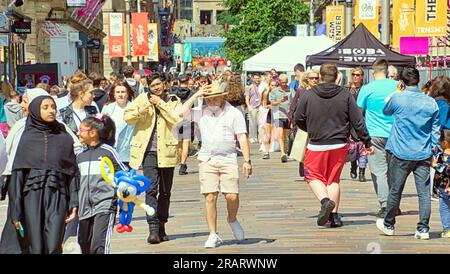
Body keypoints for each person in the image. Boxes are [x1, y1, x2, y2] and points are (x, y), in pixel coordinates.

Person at [294, 63, 373, 228]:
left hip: (317, 144)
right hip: (339, 144)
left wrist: (310, 128)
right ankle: (334, 217)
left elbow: (298, 117)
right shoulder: (345, 95)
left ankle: (325, 202)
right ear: (337, 76)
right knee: (333, 180)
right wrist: (366, 141)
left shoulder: (309, 95)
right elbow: (358, 120)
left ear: (321, 77)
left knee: (312, 175)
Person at [178, 84, 252, 248]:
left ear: (223, 97)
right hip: (207, 158)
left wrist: (247, 160)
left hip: (228, 158)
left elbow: (242, 137)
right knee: (210, 196)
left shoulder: (234, 113)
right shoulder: (201, 111)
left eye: (216, 97)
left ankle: (232, 219)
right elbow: (181, 112)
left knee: (231, 195)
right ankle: (213, 233)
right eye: (209, 98)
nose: (212, 101)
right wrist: (197, 94)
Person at [6, 95, 78, 254]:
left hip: (58, 195)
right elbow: (17, 176)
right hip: (31, 196)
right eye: (45, 107)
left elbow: (72, 173)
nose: (51, 110)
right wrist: (15, 210)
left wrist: (74, 203)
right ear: (35, 111)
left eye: (53, 107)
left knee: (53, 245)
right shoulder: (26, 138)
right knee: (36, 247)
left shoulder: (64, 136)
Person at [376, 66, 440, 240]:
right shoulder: (430, 102)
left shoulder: (398, 98)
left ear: (401, 82)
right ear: (418, 80)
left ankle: (389, 224)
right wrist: (434, 149)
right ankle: (423, 228)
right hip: (423, 153)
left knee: (395, 190)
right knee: (424, 193)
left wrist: (396, 92)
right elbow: (435, 129)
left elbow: (385, 110)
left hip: (400, 152)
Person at [124, 73, 182, 244]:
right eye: (153, 85)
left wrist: (160, 104)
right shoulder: (142, 98)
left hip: (167, 151)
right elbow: (127, 117)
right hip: (148, 151)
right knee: (151, 189)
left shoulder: (173, 100)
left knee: (165, 191)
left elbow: (177, 120)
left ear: (164, 84)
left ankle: (162, 224)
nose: (156, 88)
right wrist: (140, 111)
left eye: (158, 84)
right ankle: (153, 228)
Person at [76, 115, 127, 254]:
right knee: (83, 245)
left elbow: (123, 173)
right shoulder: (80, 155)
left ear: (92, 133)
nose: (78, 133)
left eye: (81, 130)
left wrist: (125, 196)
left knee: (99, 246)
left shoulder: (108, 151)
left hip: (104, 204)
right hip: (84, 208)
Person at [357, 59, 399, 218]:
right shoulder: (398, 86)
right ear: (387, 71)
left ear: (373, 72)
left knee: (378, 171)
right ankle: (394, 203)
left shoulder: (367, 89)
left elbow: (358, 112)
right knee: (394, 171)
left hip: (374, 134)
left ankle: (385, 204)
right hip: (396, 134)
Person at [289, 70, 319, 177]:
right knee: (303, 148)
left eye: (316, 78)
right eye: (312, 78)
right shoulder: (302, 91)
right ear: (307, 79)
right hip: (303, 124)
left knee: (314, 148)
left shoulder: (320, 91)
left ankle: (312, 170)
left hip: (317, 124)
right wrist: (292, 120)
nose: (314, 80)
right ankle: (304, 169)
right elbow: (293, 106)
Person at [101, 80, 135, 169]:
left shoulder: (134, 108)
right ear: (114, 94)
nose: (120, 94)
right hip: (111, 149)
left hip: (127, 151)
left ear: (127, 94)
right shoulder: (107, 108)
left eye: (123, 92)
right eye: (118, 92)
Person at [345, 67, 367, 182]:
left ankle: (362, 172)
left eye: (358, 75)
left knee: (363, 148)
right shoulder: (347, 90)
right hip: (350, 123)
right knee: (353, 147)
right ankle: (353, 166)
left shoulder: (365, 89)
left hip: (363, 121)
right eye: (353, 74)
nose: (355, 76)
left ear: (362, 76)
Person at [170, 74, 192, 175]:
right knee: (186, 142)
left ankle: (180, 162)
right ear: (187, 82)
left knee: (179, 143)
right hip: (187, 119)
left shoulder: (174, 92)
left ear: (178, 82)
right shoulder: (191, 93)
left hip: (176, 120)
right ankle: (183, 165)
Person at [270, 74, 294, 163]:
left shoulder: (291, 90)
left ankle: (286, 151)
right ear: (279, 82)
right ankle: (283, 153)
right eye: (282, 82)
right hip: (278, 115)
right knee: (280, 135)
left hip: (288, 115)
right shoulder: (274, 91)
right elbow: (271, 103)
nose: (284, 84)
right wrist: (279, 101)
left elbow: (294, 102)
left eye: (286, 82)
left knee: (286, 136)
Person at [432, 129, 450, 238]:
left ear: (444, 143)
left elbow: (445, 169)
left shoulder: (444, 156)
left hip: (444, 188)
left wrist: (434, 165)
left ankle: (447, 229)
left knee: (444, 208)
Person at [261, 80, 277, 159]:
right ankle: (266, 152)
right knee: (268, 134)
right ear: (269, 85)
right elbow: (264, 105)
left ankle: (283, 152)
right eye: (272, 85)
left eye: (275, 85)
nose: (273, 87)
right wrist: (271, 106)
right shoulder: (266, 93)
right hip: (269, 114)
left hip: (278, 114)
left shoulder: (278, 93)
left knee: (280, 135)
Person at [245, 73, 262, 144]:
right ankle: (252, 137)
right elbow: (247, 97)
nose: (257, 79)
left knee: (260, 123)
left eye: (258, 78)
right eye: (255, 78)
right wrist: (248, 106)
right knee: (252, 123)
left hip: (260, 106)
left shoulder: (261, 86)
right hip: (252, 107)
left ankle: (260, 137)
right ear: (252, 78)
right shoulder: (249, 87)